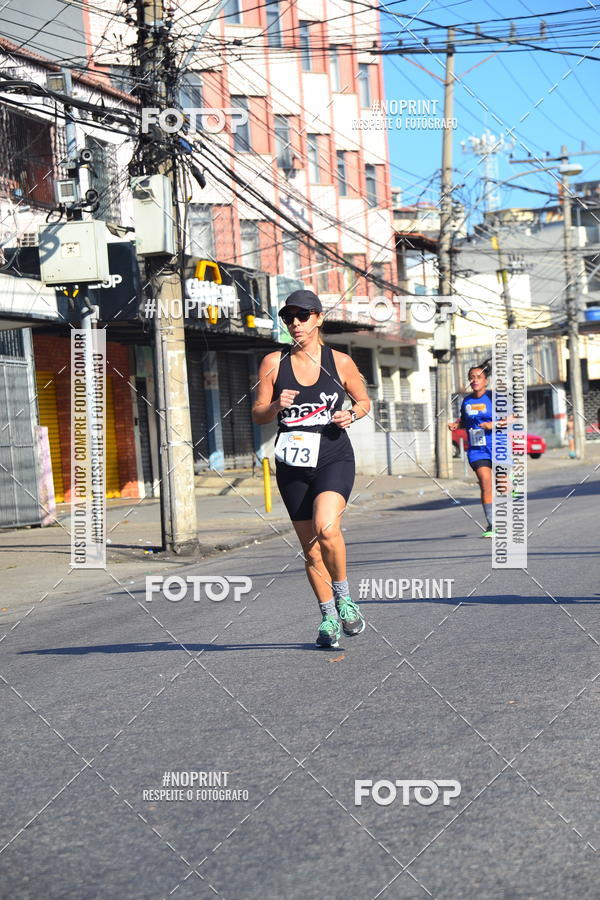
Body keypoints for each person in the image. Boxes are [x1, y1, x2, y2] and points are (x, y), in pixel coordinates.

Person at [252, 289, 370, 648]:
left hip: (333, 456)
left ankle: (345, 599)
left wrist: (350, 413)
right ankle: (328, 618)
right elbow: (257, 415)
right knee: (311, 549)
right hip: (291, 464)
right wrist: (275, 406)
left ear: (319, 318)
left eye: (303, 316)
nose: (295, 323)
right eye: (289, 318)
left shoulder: (341, 362)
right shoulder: (273, 362)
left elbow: (364, 400)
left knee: (327, 527)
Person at [449, 363, 503, 538]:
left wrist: (492, 424)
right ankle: (492, 524)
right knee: (485, 482)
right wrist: (457, 424)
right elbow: (464, 420)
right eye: (471, 377)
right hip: (477, 448)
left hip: (497, 445)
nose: (474, 380)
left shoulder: (494, 397)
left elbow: (513, 417)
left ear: (485, 380)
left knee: (502, 485)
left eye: (478, 377)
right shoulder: (467, 401)